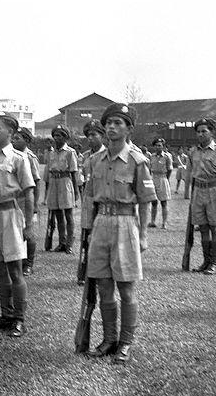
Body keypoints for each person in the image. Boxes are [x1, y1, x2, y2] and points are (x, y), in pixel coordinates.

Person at [86, 103, 156, 364]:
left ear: (129, 129)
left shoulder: (138, 161)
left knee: (126, 288)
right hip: (101, 223)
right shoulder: (95, 160)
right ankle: (109, 339)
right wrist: (89, 229)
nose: (111, 127)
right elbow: (90, 198)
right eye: (109, 123)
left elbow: (145, 200)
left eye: (118, 123)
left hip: (126, 223)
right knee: (104, 286)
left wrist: (143, 235)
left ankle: (125, 343)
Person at [0, 112, 35, 338]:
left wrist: (28, 225)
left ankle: (19, 318)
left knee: (15, 269)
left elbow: (29, 192)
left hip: (11, 214)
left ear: (10, 132)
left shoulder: (18, 158)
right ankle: (6, 314)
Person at [185, 118, 216, 275]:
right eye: (198, 132)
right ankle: (206, 261)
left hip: (214, 190)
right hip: (198, 191)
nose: (200, 134)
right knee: (203, 227)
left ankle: (215, 263)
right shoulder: (192, 152)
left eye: (204, 131)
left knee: (215, 226)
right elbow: (190, 174)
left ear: (212, 132)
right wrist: (188, 193)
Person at [77, 119, 106, 284]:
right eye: (88, 135)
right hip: (88, 201)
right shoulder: (86, 156)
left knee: (100, 238)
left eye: (94, 135)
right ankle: (84, 272)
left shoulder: (108, 155)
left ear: (102, 136)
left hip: (102, 201)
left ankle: (99, 274)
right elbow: (83, 178)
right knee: (86, 237)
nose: (90, 138)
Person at [43, 124, 79, 253]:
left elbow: (74, 172)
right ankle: (61, 242)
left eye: (59, 136)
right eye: (55, 136)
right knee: (58, 214)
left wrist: (76, 191)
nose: (56, 138)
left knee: (68, 214)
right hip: (54, 182)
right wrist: (47, 190)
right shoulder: (51, 153)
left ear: (65, 137)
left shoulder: (70, 152)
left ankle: (69, 244)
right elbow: (48, 172)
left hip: (65, 182)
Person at [10, 127, 40, 276]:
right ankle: (17, 261)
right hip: (12, 199)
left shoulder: (30, 157)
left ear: (27, 141)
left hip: (25, 199)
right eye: (13, 138)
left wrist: (35, 205)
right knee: (14, 231)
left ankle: (28, 264)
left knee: (28, 231)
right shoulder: (11, 155)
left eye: (18, 138)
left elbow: (36, 182)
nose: (14, 141)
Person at [148, 137, 172, 229]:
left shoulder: (166, 157)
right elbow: (149, 168)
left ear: (163, 146)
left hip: (162, 178)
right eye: (156, 146)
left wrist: (166, 179)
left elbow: (169, 169)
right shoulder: (151, 156)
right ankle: (152, 221)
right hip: (153, 178)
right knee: (154, 202)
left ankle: (164, 223)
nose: (158, 147)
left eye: (159, 145)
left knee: (163, 202)